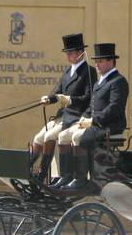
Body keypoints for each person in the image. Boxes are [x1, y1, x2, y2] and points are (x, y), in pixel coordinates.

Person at [57, 42, 128, 191]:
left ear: (110, 61)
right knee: (63, 136)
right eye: (96, 61)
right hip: (93, 123)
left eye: (100, 61)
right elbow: (92, 105)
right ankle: (66, 176)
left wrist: (93, 121)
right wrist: (84, 117)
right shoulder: (99, 82)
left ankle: (81, 179)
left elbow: (114, 108)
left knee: (77, 137)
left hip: (109, 125)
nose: (96, 64)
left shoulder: (118, 81)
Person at [30, 33, 97, 184]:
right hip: (63, 115)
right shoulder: (68, 71)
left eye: (71, 53)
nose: (68, 56)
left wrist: (68, 99)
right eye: (67, 53)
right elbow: (57, 90)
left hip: (76, 116)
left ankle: (42, 175)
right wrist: (49, 98)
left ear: (80, 52)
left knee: (49, 137)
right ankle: (26, 168)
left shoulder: (89, 71)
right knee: (38, 138)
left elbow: (88, 97)